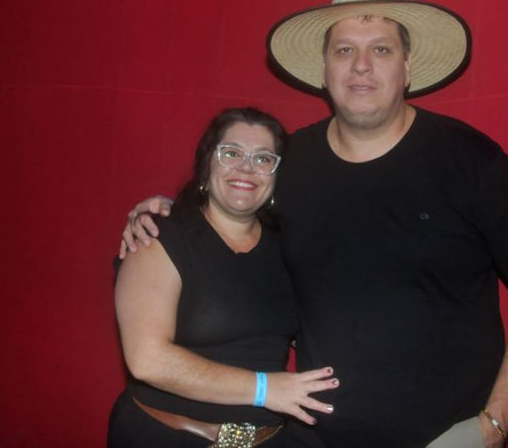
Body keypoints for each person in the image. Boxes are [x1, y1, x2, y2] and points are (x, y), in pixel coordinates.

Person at [120, 0, 508, 447]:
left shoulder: (470, 158)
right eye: (344, 50)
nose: (361, 66)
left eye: (381, 49)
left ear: (407, 67)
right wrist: (165, 210)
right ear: (324, 70)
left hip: (446, 437)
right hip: (316, 436)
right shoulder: (289, 165)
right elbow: (230, 209)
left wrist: (493, 425)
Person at [108, 107, 339, 447]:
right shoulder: (158, 236)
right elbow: (147, 360)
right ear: (207, 164)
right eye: (231, 153)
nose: (246, 168)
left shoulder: (288, 246)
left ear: (277, 175)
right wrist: (263, 389)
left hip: (269, 439)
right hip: (168, 437)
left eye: (263, 159)